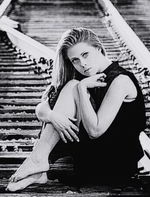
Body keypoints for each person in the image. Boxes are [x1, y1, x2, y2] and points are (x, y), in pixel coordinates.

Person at [6, 27, 146, 192]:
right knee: (68, 89)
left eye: (85, 55)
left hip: (115, 165)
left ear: (99, 48)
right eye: (75, 60)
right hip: (91, 158)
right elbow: (41, 109)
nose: (82, 64)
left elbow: (95, 130)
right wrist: (53, 115)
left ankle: (39, 160)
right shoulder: (85, 76)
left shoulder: (120, 80)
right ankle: (39, 164)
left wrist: (81, 89)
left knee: (73, 86)